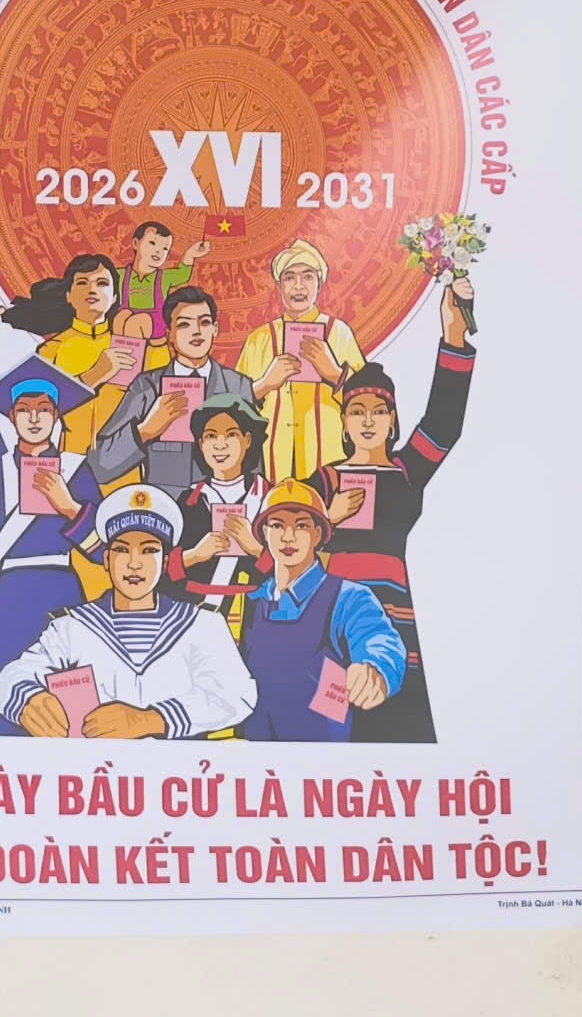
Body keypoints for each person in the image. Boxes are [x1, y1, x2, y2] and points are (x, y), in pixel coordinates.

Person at [311, 275, 477, 743]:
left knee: (398, 730)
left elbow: (444, 423)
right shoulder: (323, 479)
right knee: (333, 731)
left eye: (378, 411)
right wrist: (327, 518)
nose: (367, 421)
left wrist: (453, 335)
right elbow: (285, 534)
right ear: (344, 422)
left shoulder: (407, 470)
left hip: (394, 612)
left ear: (392, 420)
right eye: (356, 411)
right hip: (334, 616)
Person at [0, 277, 97, 735]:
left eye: (44, 409)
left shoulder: (77, 469)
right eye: (24, 410)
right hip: (11, 595)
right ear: (12, 417)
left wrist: (70, 508)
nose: (34, 417)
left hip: (64, 597)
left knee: (71, 720)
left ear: (57, 416)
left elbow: (103, 550)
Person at [0, 486, 254, 739]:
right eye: (121, 550)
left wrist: (150, 720)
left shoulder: (203, 624)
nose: (134, 563)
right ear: (106, 560)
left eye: (149, 550)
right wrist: (28, 700)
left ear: (165, 562)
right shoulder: (72, 627)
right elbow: (10, 679)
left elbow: (237, 695)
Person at [236, 483, 405, 742]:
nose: (288, 537)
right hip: (257, 751)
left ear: (317, 534)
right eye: (278, 525)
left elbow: (378, 639)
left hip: (322, 754)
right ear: (265, 533)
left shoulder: (349, 597)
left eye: (301, 526)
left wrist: (375, 671)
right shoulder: (253, 600)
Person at [82, 286, 260, 498]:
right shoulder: (147, 387)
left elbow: (255, 470)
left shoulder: (238, 386)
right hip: (164, 508)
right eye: (184, 324)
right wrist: (145, 431)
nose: (196, 332)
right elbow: (99, 466)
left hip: (219, 508)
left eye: (204, 322)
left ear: (215, 329)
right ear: (169, 335)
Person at [237, 237, 367, 479]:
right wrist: (265, 385)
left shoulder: (339, 333)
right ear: (279, 286)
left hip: (329, 458)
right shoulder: (260, 339)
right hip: (270, 461)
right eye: (289, 278)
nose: (299, 286)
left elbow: (368, 400)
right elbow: (232, 407)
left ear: (320, 283)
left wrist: (334, 374)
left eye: (307, 277)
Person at [1, 253, 131, 455]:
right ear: (69, 295)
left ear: (115, 297)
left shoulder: (132, 346)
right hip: (71, 459)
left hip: (124, 464)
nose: (92, 289)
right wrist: (93, 376)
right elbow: (37, 410)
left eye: (102, 283)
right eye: (82, 283)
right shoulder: (51, 350)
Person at [171, 398, 273, 617]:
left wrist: (254, 548)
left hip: (256, 613)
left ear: (247, 439)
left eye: (231, 434)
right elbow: (164, 569)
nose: (220, 444)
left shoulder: (268, 497)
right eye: (210, 436)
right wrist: (195, 555)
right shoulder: (190, 500)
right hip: (196, 612)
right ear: (201, 444)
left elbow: (293, 568)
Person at [116, 221, 211, 371]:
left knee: (136, 322)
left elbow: (183, 274)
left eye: (165, 248)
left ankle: (129, 372)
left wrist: (191, 254)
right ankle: (121, 368)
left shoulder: (164, 277)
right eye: (152, 243)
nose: (158, 251)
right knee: (120, 317)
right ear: (135, 243)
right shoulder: (120, 275)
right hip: (130, 323)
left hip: (156, 324)